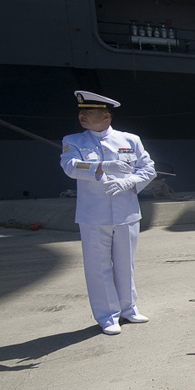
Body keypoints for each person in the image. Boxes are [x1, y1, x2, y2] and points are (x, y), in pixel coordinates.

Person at [60, 91, 156, 335]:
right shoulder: (73, 140)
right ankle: (107, 315)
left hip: (126, 212)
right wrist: (102, 166)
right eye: (81, 111)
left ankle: (128, 308)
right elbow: (71, 167)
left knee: (125, 264)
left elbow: (148, 168)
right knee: (98, 266)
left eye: (88, 111)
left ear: (105, 115)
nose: (82, 115)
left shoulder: (130, 140)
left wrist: (130, 182)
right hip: (93, 215)